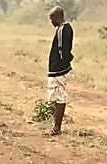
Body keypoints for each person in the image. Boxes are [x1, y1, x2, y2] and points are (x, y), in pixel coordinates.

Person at [47, 6, 74, 136]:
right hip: (58, 69)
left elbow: (62, 51)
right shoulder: (65, 28)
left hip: (59, 69)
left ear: (57, 17)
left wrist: (63, 65)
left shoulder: (62, 30)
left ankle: (57, 127)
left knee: (59, 97)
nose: (51, 22)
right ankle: (55, 124)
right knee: (54, 97)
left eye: (52, 18)